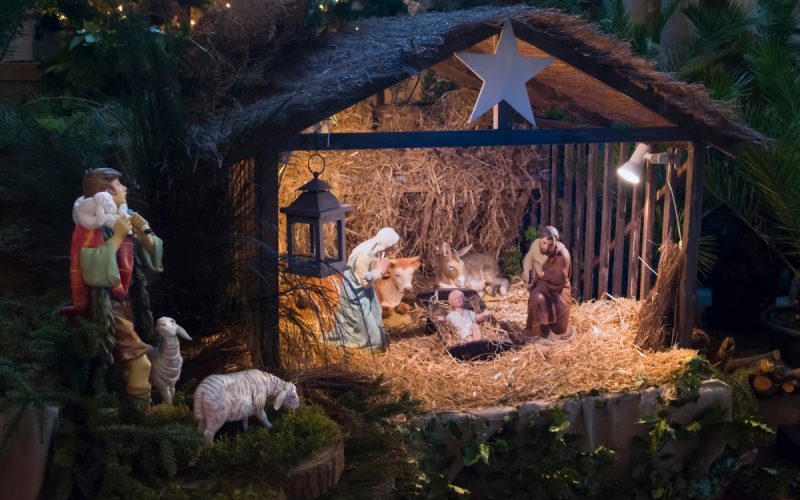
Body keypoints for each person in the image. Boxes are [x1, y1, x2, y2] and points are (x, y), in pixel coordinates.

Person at [67, 167, 163, 410]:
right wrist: (118, 237)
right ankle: (142, 415)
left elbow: (152, 253)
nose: (125, 188)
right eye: (120, 185)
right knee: (141, 363)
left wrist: (145, 235)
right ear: (107, 193)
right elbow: (93, 269)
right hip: (109, 306)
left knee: (127, 362)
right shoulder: (89, 227)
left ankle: (127, 405)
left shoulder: (125, 216)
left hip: (132, 300)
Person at [328, 227, 399, 349]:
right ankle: (358, 341)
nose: (393, 249)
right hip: (356, 295)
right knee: (375, 341)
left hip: (365, 293)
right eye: (391, 246)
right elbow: (364, 282)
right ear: (385, 243)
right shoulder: (364, 255)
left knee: (380, 332)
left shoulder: (372, 250)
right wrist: (379, 272)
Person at [522, 226, 574, 341]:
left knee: (537, 297)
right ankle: (538, 329)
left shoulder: (562, 255)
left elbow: (558, 279)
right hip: (547, 288)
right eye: (544, 243)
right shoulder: (549, 254)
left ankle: (536, 332)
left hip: (558, 296)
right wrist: (535, 281)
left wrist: (542, 274)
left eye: (550, 244)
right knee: (535, 294)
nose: (546, 247)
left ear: (556, 242)